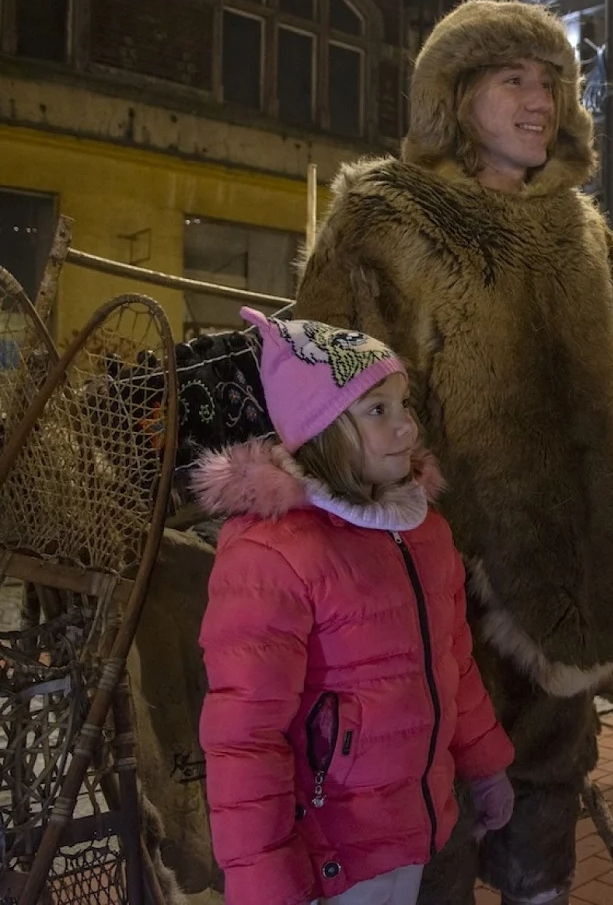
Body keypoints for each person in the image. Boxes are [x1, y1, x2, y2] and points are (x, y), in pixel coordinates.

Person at [293, 0, 613, 904]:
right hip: (426, 582)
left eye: (554, 84)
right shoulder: (384, 217)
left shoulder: (588, 240)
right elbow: (316, 398)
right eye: (514, 80)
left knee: (546, 812)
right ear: (455, 97)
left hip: (565, 582)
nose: (542, 102)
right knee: (430, 815)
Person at [194, 308, 516, 905]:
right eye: (378, 411)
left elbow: (454, 663)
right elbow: (244, 737)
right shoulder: (272, 556)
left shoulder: (423, 533)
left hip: (406, 829)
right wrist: (265, 878)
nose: (407, 429)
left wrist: (485, 764)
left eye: (403, 406)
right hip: (325, 854)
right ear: (321, 430)